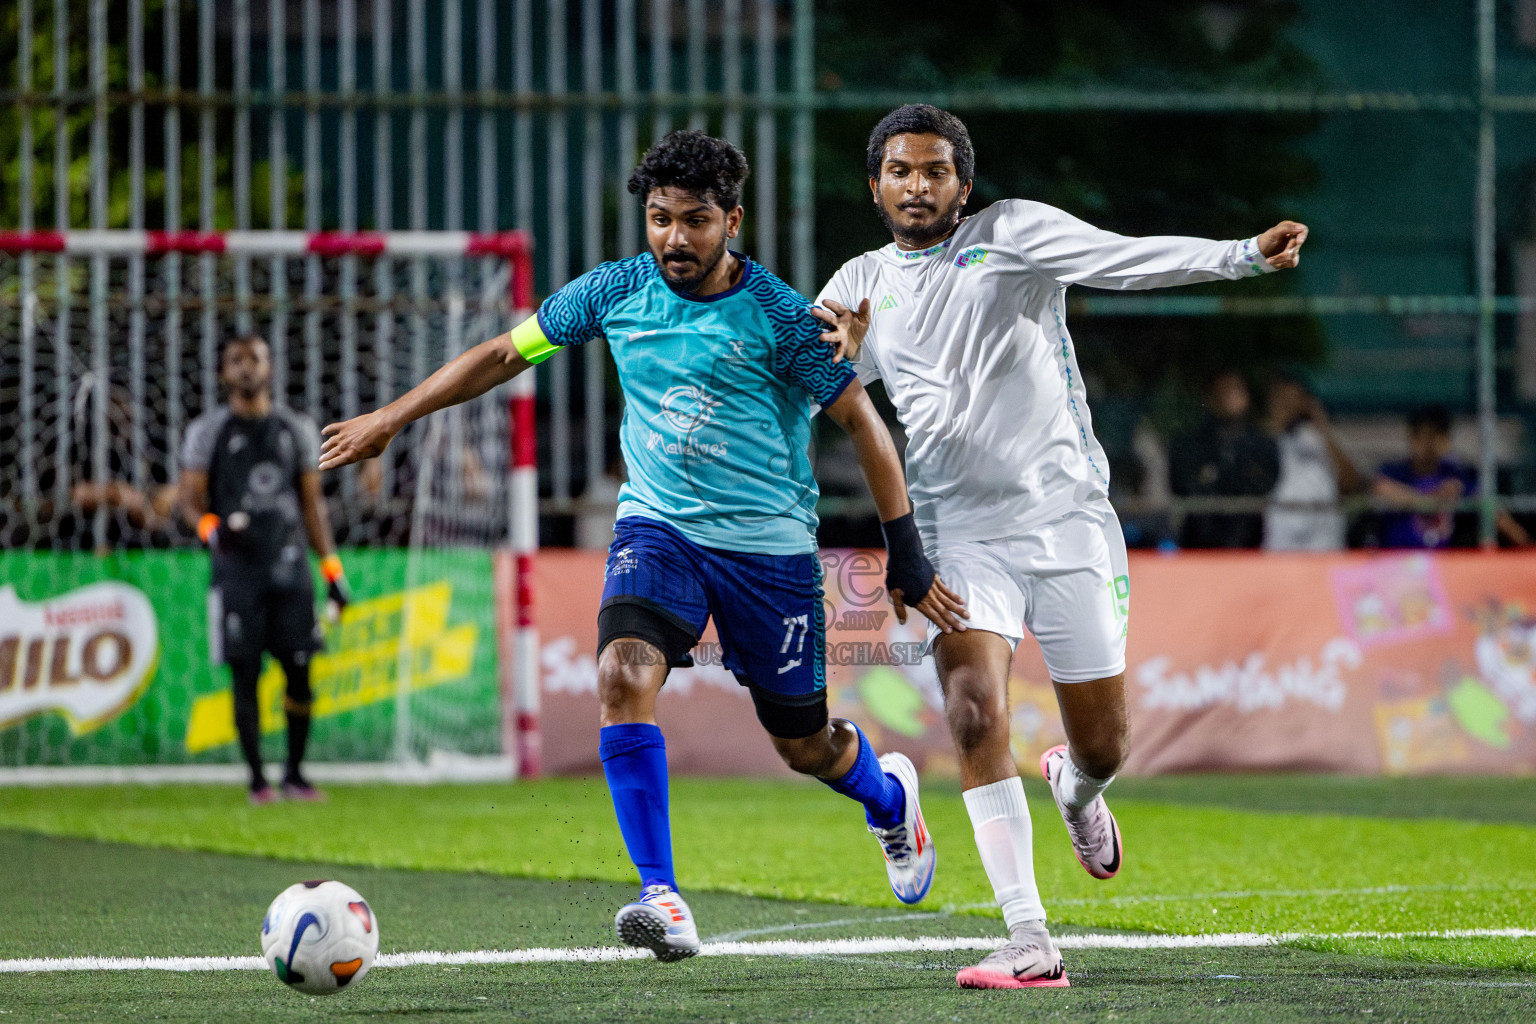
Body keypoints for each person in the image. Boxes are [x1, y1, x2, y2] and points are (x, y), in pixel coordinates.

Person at [317, 130, 968, 963]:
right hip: (657, 528)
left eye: (695, 221)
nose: (674, 239)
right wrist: (389, 419)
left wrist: (906, 557)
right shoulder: (614, 291)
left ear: (731, 221)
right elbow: (499, 354)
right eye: (660, 219)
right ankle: (661, 895)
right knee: (622, 673)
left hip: (768, 553)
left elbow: (864, 428)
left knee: (804, 744)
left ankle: (886, 797)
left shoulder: (780, 315)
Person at [816, 104, 1307, 989]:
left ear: (963, 184)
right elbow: (818, 394)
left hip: (1069, 522)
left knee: (1106, 745)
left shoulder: (1015, 234)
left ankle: (1077, 790)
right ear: (876, 185)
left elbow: (1123, 259)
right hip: (957, 535)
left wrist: (1239, 254)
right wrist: (834, 363)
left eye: (933, 171)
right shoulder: (857, 283)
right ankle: (1030, 939)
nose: (916, 186)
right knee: (972, 711)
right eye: (899, 171)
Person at [179, 335, 351, 805]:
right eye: (235, 360)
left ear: (270, 367)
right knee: (245, 674)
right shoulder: (207, 432)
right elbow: (190, 501)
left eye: (254, 358)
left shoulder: (295, 429)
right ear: (222, 374)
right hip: (236, 572)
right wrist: (211, 528)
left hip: (291, 569)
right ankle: (257, 780)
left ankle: (294, 773)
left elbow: (313, 507)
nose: (245, 368)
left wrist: (333, 572)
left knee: (299, 672)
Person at [1373, 404, 1530, 548]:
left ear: (1446, 440)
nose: (1429, 445)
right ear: (1412, 438)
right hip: (1396, 559)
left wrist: (1524, 542)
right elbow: (1381, 488)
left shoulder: (1455, 473)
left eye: (1436, 437)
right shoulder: (1395, 471)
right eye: (1423, 436)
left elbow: (1489, 508)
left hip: (1445, 562)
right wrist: (1432, 500)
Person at [1169, 370, 1281, 549]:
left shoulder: (1262, 443)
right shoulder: (1190, 443)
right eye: (1224, 391)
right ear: (1211, 397)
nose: (1231, 397)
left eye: (1236, 389)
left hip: (1247, 540)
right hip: (1198, 542)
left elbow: (1265, 483)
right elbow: (1181, 485)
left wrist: (1222, 475)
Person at [1263, 375, 1361, 551]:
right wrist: (1280, 421)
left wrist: (1321, 427)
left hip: (1323, 540)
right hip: (1283, 540)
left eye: (1294, 398)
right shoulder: (1266, 440)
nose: (1289, 406)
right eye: (1282, 399)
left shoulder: (1318, 438)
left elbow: (1350, 483)